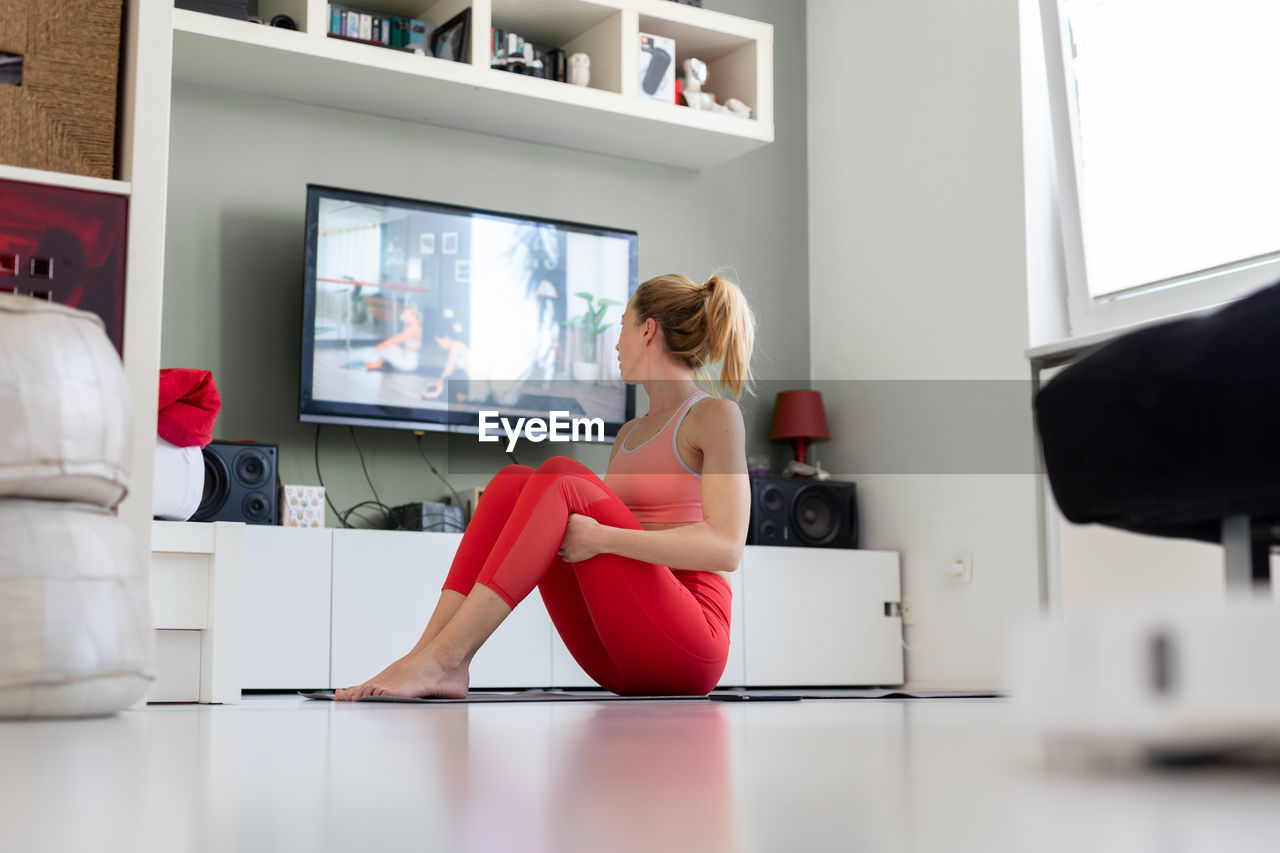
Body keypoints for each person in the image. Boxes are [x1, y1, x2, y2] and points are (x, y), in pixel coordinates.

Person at [336, 273, 756, 699]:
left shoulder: (714, 416)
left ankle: (444, 659)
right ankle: (426, 656)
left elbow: (726, 546)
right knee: (513, 482)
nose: (615, 344)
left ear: (648, 330)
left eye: (623, 325)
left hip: (691, 642)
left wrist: (604, 538)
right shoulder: (628, 433)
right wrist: (601, 540)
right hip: (621, 658)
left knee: (559, 474)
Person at [364, 303, 423, 372]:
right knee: (389, 347)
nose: (405, 318)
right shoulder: (415, 326)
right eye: (404, 315)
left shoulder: (413, 329)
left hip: (408, 364)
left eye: (407, 315)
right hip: (407, 356)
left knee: (382, 350)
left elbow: (396, 339)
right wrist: (382, 345)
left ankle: (377, 364)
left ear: (414, 316)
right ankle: (380, 363)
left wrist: (380, 345)